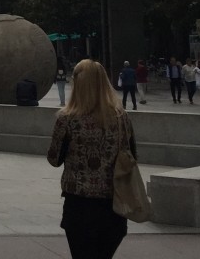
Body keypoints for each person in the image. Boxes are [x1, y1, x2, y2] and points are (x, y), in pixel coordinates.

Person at [47, 58, 136, 259]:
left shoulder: (67, 119)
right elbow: (132, 154)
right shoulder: (121, 117)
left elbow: (54, 158)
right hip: (114, 203)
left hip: (79, 204)